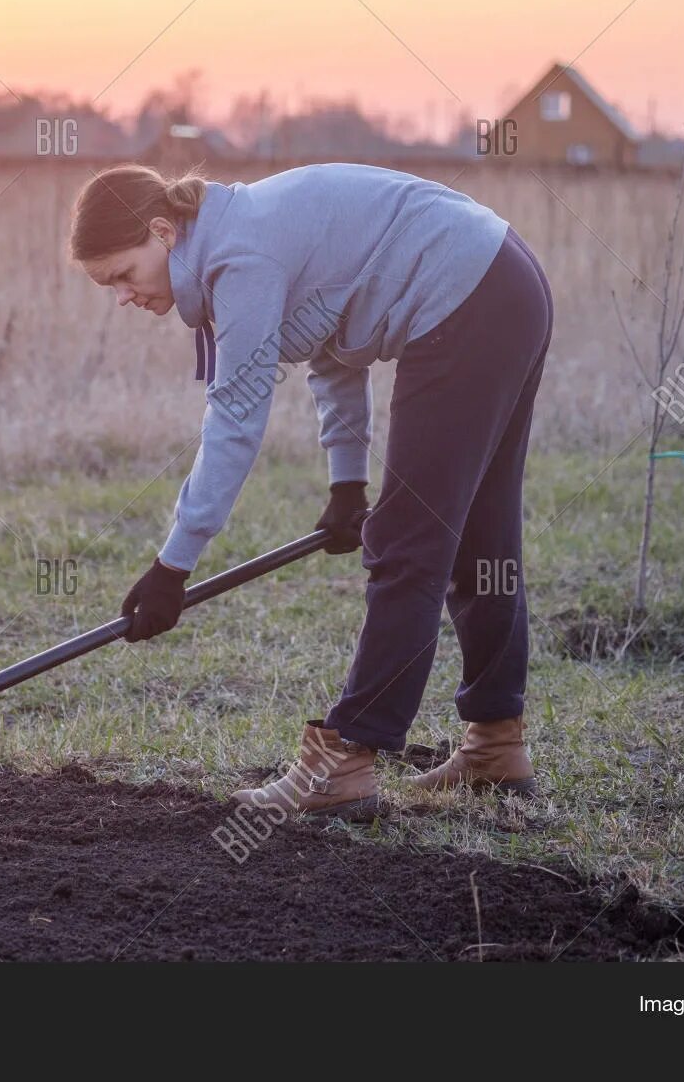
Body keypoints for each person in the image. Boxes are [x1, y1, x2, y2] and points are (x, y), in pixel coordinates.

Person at [69, 162, 553, 817]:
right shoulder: (236, 230)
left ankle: (344, 763)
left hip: (466, 295)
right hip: (505, 282)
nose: (123, 297)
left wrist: (172, 567)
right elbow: (334, 350)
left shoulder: (238, 259)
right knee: (478, 532)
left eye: (123, 275)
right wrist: (347, 483)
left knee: (407, 543)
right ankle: (496, 742)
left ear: (162, 232)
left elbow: (235, 422)